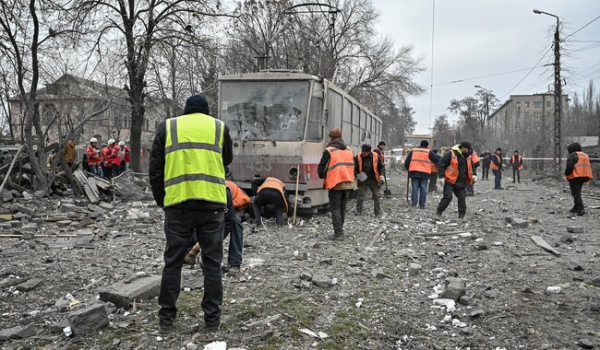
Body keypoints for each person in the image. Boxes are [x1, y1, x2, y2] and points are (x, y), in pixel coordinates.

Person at [149, 94, 233, 334]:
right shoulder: (219, 127)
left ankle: (166, 320)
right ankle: (212, 321)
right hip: (212, 205)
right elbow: (227, 159)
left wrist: (162, 200)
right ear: (206, 112)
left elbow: (155, 168)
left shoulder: (168, 127)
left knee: (173, 263)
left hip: (178, 205)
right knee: (212, 264)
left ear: (186, 111)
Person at [318, 128, 355, 240]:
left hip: (336, 183)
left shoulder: (329, 150)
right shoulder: (349, 149)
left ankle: (338, 233)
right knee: (342, 208)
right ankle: (340, 231)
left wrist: (321, 175)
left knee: (335, 208)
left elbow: (321, 168)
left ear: (331, 138)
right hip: (348, 182)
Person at [435, 141, 474, 220]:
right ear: (463, 147)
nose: (468, 151)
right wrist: (441, 177)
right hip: (450, 181)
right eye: (467, 149)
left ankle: (461, 217)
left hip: (461, 182)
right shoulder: (450, 154)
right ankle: (438, 213)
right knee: (448, 197)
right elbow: (441, 164)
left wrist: (474, 174)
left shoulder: (468, 156)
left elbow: (472, 166)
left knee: (462, 199)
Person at [403, 140, 441, 208]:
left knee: (415, 187)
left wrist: (408, 169)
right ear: (427, 146)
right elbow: (437, 159)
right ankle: (422, 205)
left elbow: (407, 161)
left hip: (414, 171)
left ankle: (414, 204)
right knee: (423, 188)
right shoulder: (428, 151)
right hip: (424, 172)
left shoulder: (413, 151)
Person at [355, 144, 384, 216]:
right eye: (362, 151)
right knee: (360, 195)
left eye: (365, 152)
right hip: (363, 178)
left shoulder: (376, 156)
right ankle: (358, 211)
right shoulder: (358, 157)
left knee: (376, 195)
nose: (363, 153)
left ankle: (377, 213)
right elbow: (355, 168)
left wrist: (382, 175)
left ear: (369, 152)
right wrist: (357, 175)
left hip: (373, 178)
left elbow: (382, 167)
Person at [565, 143, 593, 216]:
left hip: (575, 176)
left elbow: (569, 166)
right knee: (577, 192)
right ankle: (576, 207)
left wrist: (566, 173)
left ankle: (580, 209)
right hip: (584, 176)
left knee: (575, 193)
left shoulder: (572, 155)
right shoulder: (585, 155)